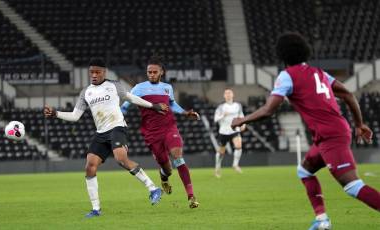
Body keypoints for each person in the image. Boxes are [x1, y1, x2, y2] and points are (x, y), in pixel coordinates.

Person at [231, 32, 380, 230]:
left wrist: (243, 119)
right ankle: (322, 221)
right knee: (304, 171)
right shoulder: (319, 72)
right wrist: (359, 124)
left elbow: (269, 110)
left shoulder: (287, 76)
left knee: (352, 186)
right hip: (331, 133)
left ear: (282, 54)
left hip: (331, 136)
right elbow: (347, 94)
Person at [44, 58, 168, 218]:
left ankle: (153, 188)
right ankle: (96, 209)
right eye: (91, 72)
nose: (94, 75)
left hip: (117, 127)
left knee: (121, 158)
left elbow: (131, 98)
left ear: (104, 72)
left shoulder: (114, 85)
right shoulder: (86, 92)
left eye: (97, 72)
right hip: (101, 133)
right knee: (90, 166)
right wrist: (56, 113)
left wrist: (154, 106)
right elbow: (75, 116)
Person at [121, 55, 200, 208]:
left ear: (161, 72)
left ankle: (191, 196)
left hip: (170, 127)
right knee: (167, 168)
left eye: (154, 72)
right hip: (151, 133)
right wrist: (115, 119)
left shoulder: (167, 87)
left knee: (178, 156)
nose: (151, 74)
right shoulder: (138, 88)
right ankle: (164, 178)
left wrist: (185, 113)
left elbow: (172, 104)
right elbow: (124, 107)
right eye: (149, 72)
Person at [213, 88, 246, 178]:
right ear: (224, 96)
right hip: (223, 131)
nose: (228, 94)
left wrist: (243, 124)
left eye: (229, 93)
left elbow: (241, 116)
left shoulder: (238, 105)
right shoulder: (221, 107)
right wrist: (223, 115)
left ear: (233, 95)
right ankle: (217, 168)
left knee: (239, 145)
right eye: (226, 93)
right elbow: (215, 119)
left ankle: (235, 164)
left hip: (234, 130)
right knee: (221, 152)